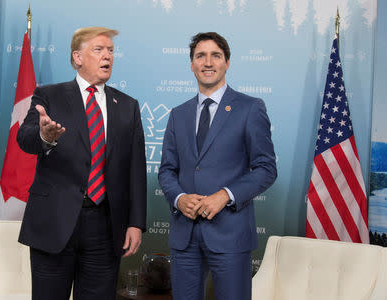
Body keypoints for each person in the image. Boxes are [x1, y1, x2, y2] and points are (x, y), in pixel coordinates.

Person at [17, 27, 147, 300]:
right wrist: (44, 136)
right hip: (54, 221)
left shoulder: (127, 105)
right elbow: (25, 138)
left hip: (105, 226)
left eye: (111, 51)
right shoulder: (49, 95)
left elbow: (135, 169)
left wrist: (135, 223)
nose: (107, 56)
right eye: (98, 50)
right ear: (77, 57)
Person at [158, 32, 277, 300]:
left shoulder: (250, 108)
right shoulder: (178, 114)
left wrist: (225, 195)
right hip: (184, 235)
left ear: (227, 63)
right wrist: (178, 199)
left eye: (216, 55)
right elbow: (167, 169)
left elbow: (266, 168)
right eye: (200, 55)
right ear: (192, 64)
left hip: (230, 233)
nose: (208, 62)